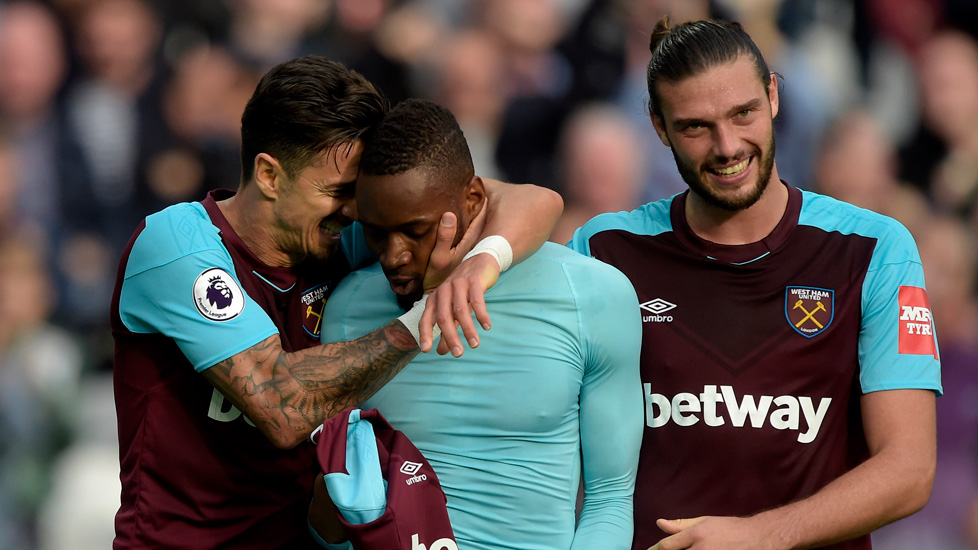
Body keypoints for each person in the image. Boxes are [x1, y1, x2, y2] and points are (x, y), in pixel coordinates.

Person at [110, 56, 562, 549]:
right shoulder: (176, 246)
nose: (353, 211)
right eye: (337, 192)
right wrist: (424, 317)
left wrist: (482, 261)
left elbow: (531, 200)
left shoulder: (340, 238)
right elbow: (279, 404)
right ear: (268, 174)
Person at [568, 18, 941, 550]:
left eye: (743, 114)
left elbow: (909, 470)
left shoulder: (873, 248)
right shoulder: (605, 250)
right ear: (658, 126)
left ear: (773, 95)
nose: (727, 146)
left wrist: (762, 536)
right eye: (696, 126)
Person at [313, 98, 644, 549]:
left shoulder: (593, 295)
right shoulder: (348, 309)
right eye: (376, 233)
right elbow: (336, 522)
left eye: (415, 230)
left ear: (472, 199)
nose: (394, 256)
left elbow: (610, 498)